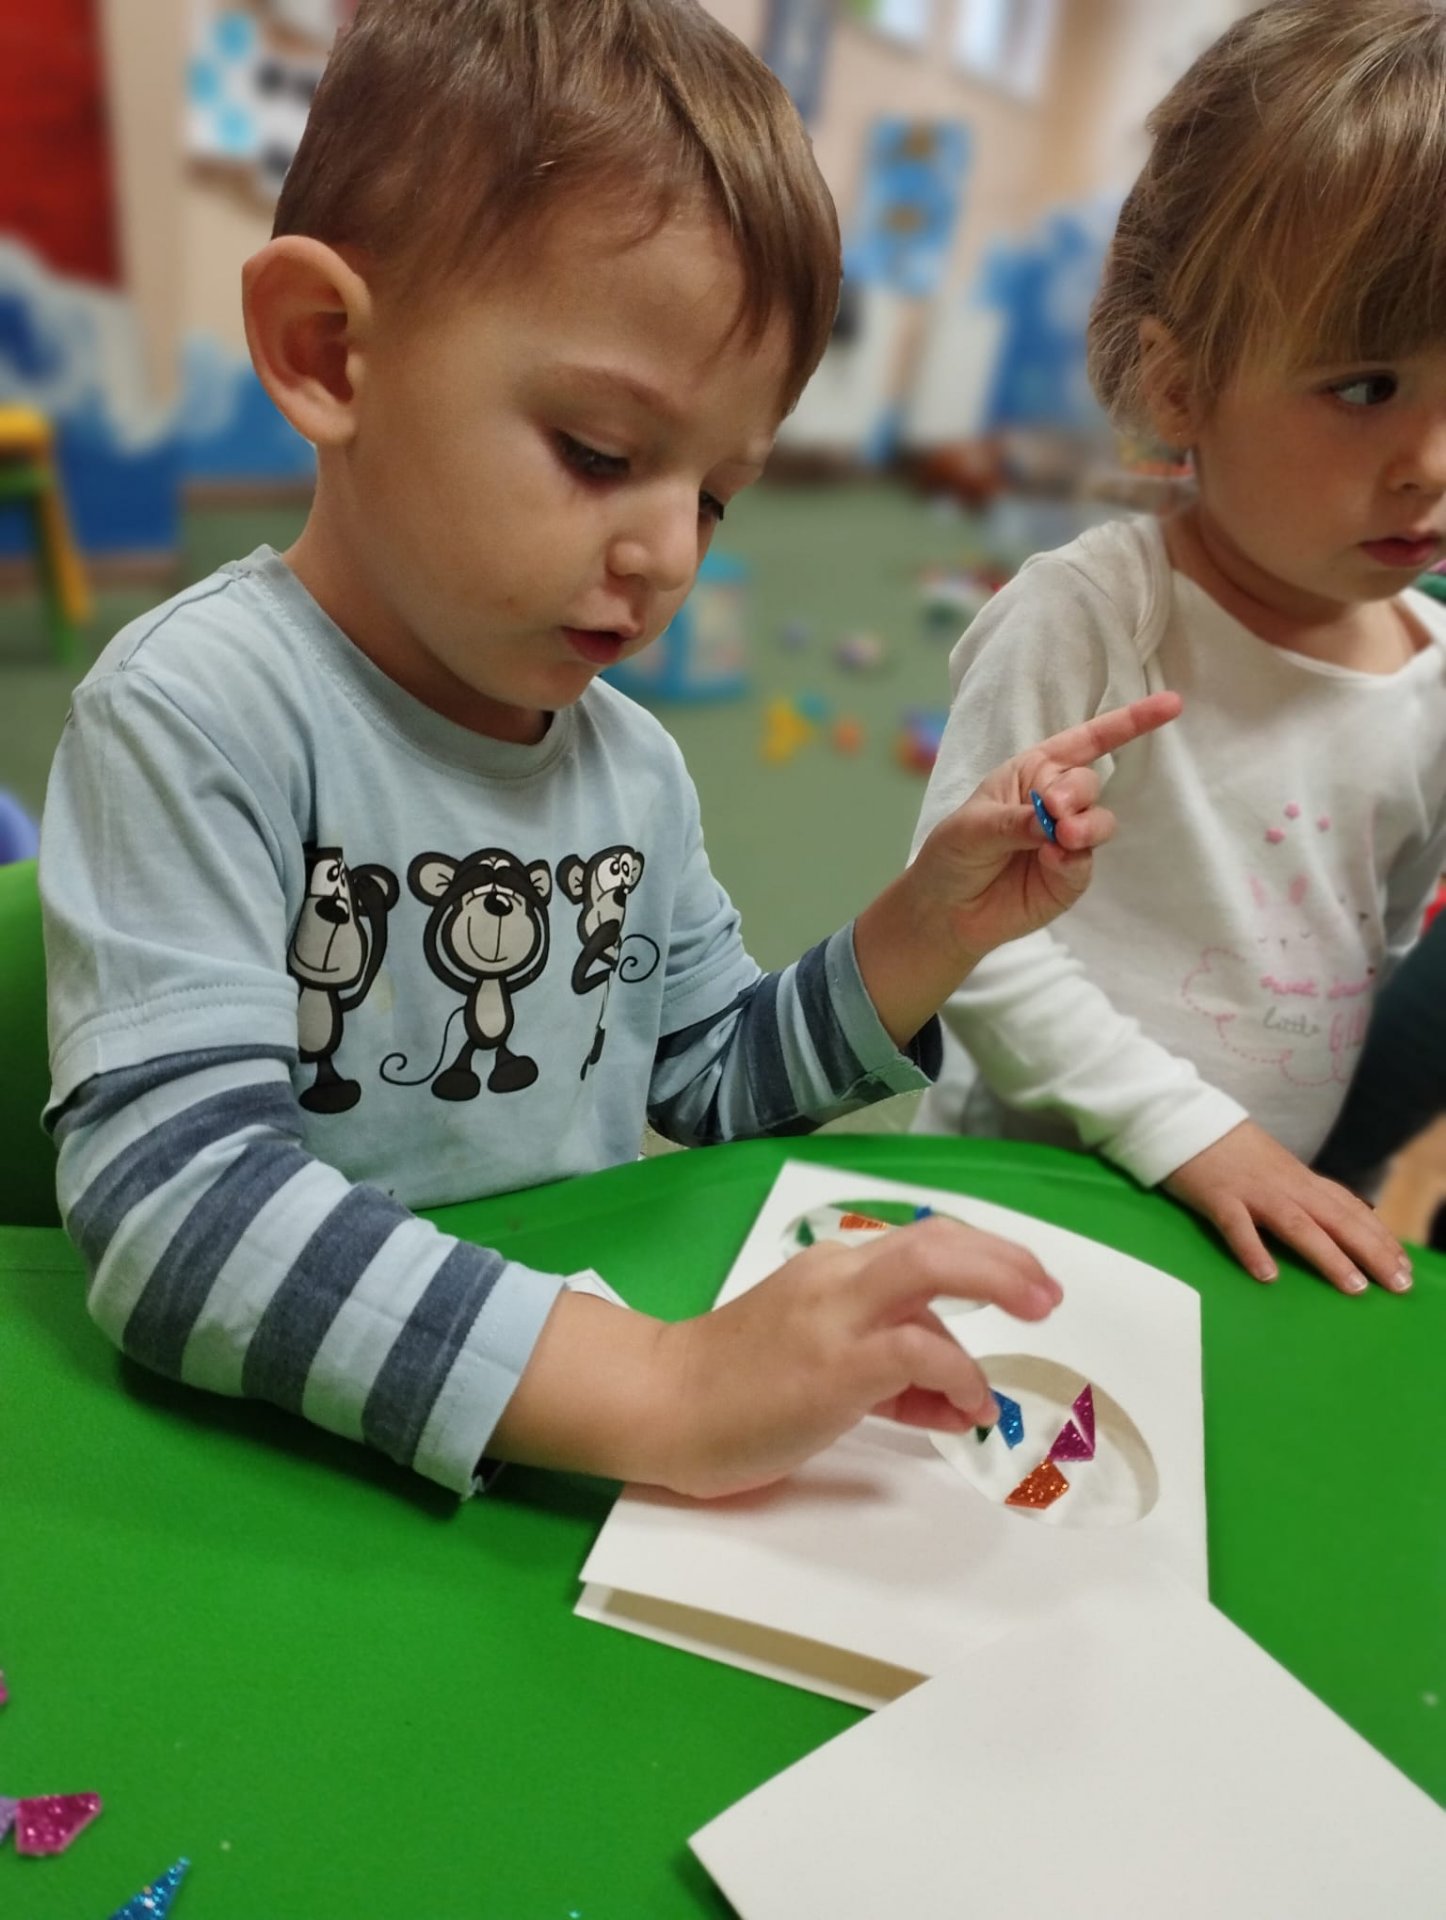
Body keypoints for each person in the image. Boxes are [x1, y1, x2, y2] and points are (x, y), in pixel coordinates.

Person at [39, 0, 1176, 1502]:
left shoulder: (628, 770)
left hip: (547, 1423)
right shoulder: (199, 711)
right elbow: (178, 1210)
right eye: (599, 454)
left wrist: (926, 929)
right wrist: (655, 1384)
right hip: (279, 1467)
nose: (668, 555)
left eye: (713, 496)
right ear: (328, 352)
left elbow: (712, 1077)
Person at [911, 0, 1446, 1298]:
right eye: (1364, 388)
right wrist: (1199, 1137)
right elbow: (968, 939)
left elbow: (1367, 953)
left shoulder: (1432, 675)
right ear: (1179, 385)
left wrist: (1279, 1166)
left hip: (1246, 1229)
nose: (1428, 464)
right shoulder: (1093, 618)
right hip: (1020, 1198)